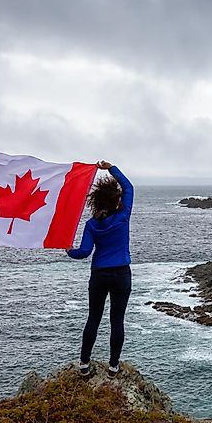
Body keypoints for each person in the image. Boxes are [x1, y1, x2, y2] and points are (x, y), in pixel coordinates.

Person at [66, 160, 133, 378]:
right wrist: (111, 168)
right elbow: (129, 187)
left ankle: (84, 363)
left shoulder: (92, 225)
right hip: (122, 273)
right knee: (117, 321)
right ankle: (114, 366)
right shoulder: (122, 216)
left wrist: (69, 250)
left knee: (93, 318)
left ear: (95, 202)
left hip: (99, 275)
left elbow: (84, 252)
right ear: (116, 200)